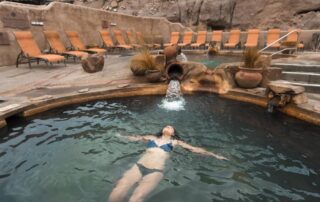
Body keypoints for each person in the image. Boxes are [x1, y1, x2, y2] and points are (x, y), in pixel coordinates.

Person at [108, 125, 228, 202]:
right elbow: (135, 138)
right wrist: (118, 135)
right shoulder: (151, 138)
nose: (168, 127)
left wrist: (214, 155)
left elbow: (194, 149)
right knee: (117, 192)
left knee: (136, 199)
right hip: (138, 167)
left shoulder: (175, 142)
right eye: (166, 126)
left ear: (173, 133)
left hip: (155, 172)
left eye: (171, 127)